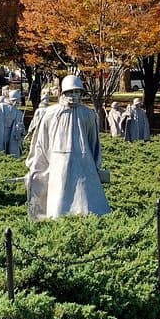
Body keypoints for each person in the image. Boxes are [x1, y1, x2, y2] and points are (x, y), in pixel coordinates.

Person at [25, 75, 111, 220]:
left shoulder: (88, 114)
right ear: (63, 92)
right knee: (59, 200)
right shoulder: (50, 114)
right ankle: (58, 221)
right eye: (71, 92)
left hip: (84, 163)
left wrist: (95, 164)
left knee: (86, 202)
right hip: (59, 163)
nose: (74, 95)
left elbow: (94, 142)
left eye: (77, 92)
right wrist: (37, 166)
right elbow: (41, 143)